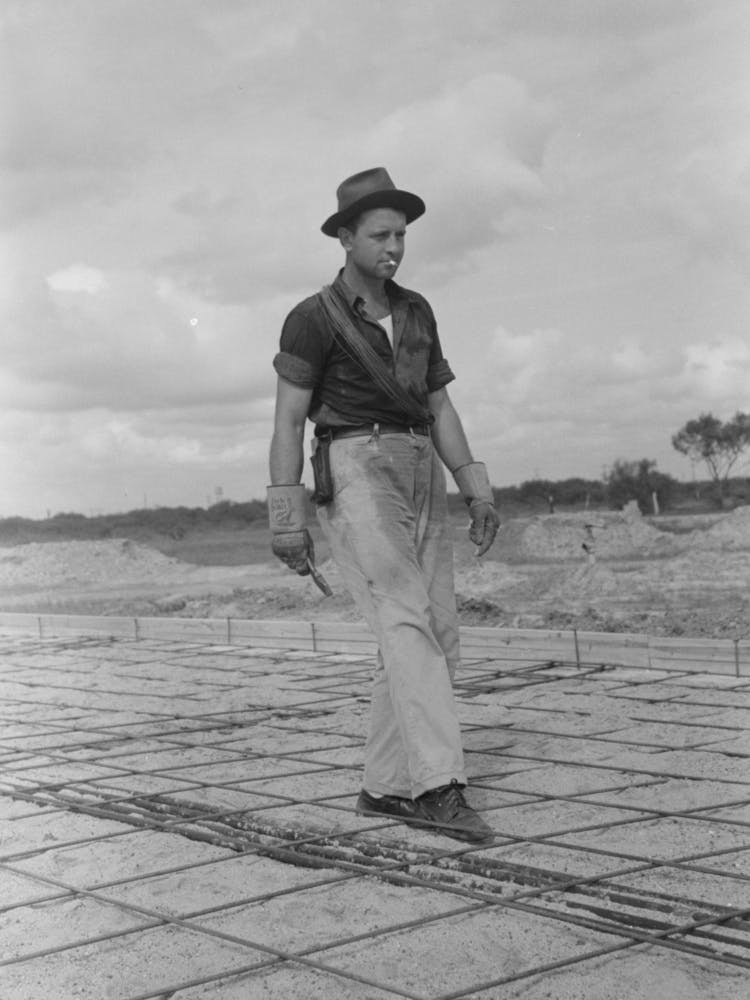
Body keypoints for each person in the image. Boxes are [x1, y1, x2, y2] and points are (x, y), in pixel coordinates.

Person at [268, 167, 500, 842]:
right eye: (378, 235)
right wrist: (289, 519)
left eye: (401, 235)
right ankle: (438, 786)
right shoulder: (312, 319)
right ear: (345, 238)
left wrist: (475, 486)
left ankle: (386, 786)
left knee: (439, 632)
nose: (393, 247)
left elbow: (440, 404)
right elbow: (287, 422)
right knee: (405, 624)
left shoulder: (419, 310)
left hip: (421, 465)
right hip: (356, 465)